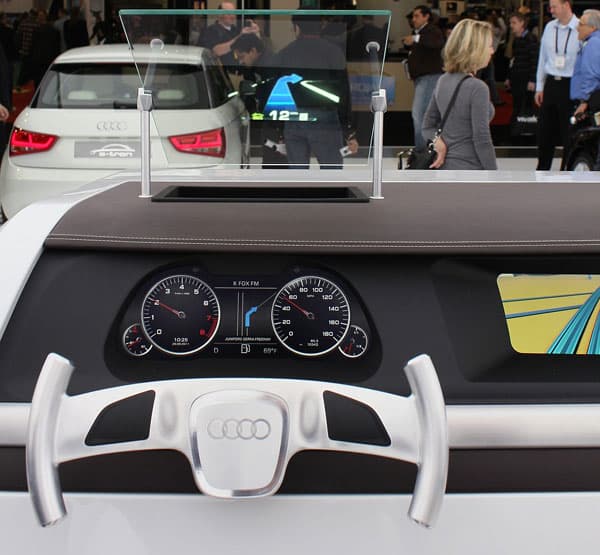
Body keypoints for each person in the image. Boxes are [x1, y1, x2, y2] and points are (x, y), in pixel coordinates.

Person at [271, 12, 358, 169]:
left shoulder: (285, 53)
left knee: (297, 174)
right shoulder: (333, 52)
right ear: (321, 26)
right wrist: (349, 130)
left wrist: (279, 129)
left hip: (293, 118)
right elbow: (343, 93)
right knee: (331, 172)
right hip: (325, 119)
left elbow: (277, 94)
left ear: (297, 27)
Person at [422, 18, 497, 170]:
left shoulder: (443, 80)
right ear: (476, 49)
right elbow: (482, 139)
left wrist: (438, 143)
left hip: (445, 167)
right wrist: (494, 174)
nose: (492, 51)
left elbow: (427, 127)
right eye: (489, 46)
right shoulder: (477, 88)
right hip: (471, 167)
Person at [534, 0, 579, 170]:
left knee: (568, 131)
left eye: (554, 6)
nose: (551, 10)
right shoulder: (549, 27)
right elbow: (542, 58)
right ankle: (542, 169)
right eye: (550, 7)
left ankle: (567, 169)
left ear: (566, 5)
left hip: (570, 84)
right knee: (545, 131)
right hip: (551, 82)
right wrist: (539, 86)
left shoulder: (580, 27)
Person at [231, 33, 287, 168]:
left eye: (242, 57)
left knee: (274, 160)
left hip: (276, 122)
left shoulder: (270, 68)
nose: (241, 62)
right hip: (270, 119)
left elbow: (274, 99)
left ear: (253, 51)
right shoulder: (256, 66)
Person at [402, 5, 444, 150]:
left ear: (426, 17)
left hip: (429, 78)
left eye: (417, 16)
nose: (413, 19)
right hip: (423, 79)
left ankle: (422, 149)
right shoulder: (420, 33)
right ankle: (427, 147)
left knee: (419, 114)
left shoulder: (432, 31)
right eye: (413, 16)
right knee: (424, 113)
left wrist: (415, 38)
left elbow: (436, 42)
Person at [569, 10, 600, 170]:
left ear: (592, 27)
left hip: (592, 103)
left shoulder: (593, 43)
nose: (577, 27)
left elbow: (591, 74)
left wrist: (584, 101)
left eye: (581, 24)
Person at [202, 2, 260, 73]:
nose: (232, 16)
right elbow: (216, 51)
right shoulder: (212, 30)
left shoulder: (236, 30)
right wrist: (238, 38)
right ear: (219, 14)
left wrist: (256, 32)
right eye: (229, 13)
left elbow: (251, 49)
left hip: (240, 71)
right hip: (223, 73)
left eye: (234, 13)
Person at [506, 12, 539, 133]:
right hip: (517, 77)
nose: (511, 25)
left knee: (526, 105)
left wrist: (532, 80)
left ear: (522, 23)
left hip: (526, 78)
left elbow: (534, 60)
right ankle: (517, 128)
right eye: (510, 23)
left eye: (514, 23)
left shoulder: (530, 39)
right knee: (517, 104)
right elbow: (513, 60)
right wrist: (509, 77)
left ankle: (524, 128)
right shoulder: (516, 40)